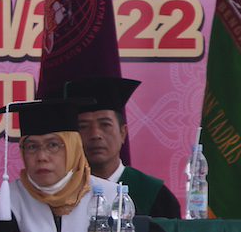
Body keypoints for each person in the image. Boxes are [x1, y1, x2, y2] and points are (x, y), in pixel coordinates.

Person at [0, 98, 112, 232]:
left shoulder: (111, 196)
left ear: (73, 148)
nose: (41, 156)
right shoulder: (7, 200)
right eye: (31, 147)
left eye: (53, 145)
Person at [63, 77, 181, 219]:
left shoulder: (155, 195)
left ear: (122, 133)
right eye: (83, 127)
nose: (95, 135)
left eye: (105, 124)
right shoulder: (62, 195)